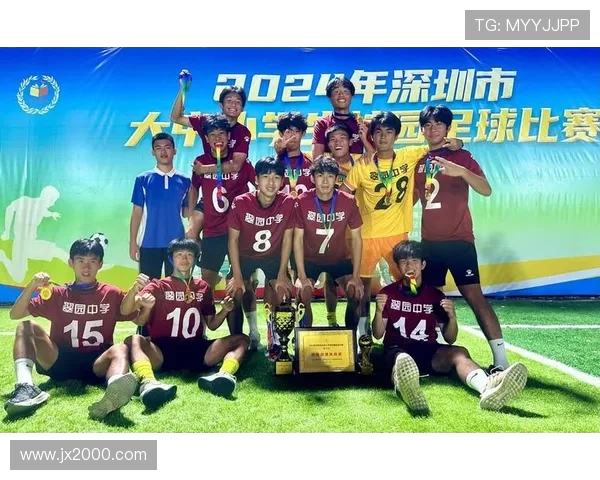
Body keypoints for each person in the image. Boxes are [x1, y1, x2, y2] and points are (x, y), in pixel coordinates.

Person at [341, 111, 463, 344]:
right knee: (359, 292)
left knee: (412, 285)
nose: (383, 137)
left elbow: (437, 145)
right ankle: (358, 340)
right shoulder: (362, 165)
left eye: (389, 132)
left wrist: (459, 142)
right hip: (366, 236)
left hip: (397, 236)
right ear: (372, 137)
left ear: (396, 136)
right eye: (378, 132)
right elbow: (343, 196)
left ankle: (418, 334)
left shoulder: (410, 155)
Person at [372, 240, 528, 414]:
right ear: (398, 266)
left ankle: (487, 388)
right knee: (402, 359)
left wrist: (452, 317)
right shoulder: (388, 293)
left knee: (459, 352)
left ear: (423, 265)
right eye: (404, 261)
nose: (409, 266)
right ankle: (409, 391)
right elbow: (377, 334)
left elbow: (450, 338)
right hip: (398, 349)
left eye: (414, 260)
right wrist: (379, 311)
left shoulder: (435, 295)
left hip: (428, 352)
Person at [4, 238, 143, 420]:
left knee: (121, 348)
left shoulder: (111, 293)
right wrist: (31, 286)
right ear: (71, 263)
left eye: (92, 261)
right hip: (59, 360)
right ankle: (25, 386)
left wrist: (141, 300)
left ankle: (115, 388)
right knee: (26, 327)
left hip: (97, 364)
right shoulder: (58, 293)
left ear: (100, 264)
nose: (86, 267)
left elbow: (137, 318)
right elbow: (15, 314)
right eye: (80, 260)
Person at [414, 104, 509, 371]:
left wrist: (462, 172)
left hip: (459, 242)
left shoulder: (462, 156)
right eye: (427, 125)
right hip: (429, 244)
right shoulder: (419, 161)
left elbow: (486, 190)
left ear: (447, 128)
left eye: (438, 124)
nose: (433, 129)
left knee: (475, 298)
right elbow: (410, 199)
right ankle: (429, 355)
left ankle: (501, 361)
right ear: (422, 130)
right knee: (429, 300)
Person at [121, 238, 249, 402]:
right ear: (171, 259)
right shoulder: (158, 286)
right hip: (161, 350)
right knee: (133, 340)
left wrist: (225, 310)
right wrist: (134, 290)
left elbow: (212, 325)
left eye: (189, 255)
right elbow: (125, 311)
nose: (184, 259)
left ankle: (224, 375)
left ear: (195, 259)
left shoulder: (203, 287)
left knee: (241, 339)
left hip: (197, 349)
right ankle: (148, 382)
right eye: (179, 254)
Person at [189, 114, 256, 334]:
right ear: (206, 139)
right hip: (212, 233)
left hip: (239, 233)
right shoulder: (200, 161)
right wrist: (191, 212)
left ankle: (245, 334)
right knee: (205, 284)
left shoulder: (243, 164)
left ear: (229, 136)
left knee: (240, 285)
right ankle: (199, 332)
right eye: (212, 134)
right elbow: (194, 187)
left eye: (221, 134)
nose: (217, 138)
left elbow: (260, 185)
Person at [227, 157, 296, 350]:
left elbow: (287, 239)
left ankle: (276, 338)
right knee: (234, 292)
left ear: (282, 182)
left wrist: (282, 273)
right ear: (256, 180)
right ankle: (239, 340)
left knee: (283, 292)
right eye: (265, 177)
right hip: (245, 255)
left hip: (273, 256)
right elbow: (232, 240)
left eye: (276, 177)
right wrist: (237, 276)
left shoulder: (288, 202)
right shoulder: (241, 202)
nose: (271, 182)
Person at [293, 156, 364, 328]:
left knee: (355, 292)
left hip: (339, 258)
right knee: (302, 293)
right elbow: (298, 239)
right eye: (320, 175)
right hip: (310, 260)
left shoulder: (348, 201)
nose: (325, 181)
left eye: (330, 176)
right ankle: (304, 338)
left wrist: (356, 276)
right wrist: (301, 276)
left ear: (337, 178)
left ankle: (350, 337)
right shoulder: (302, 201)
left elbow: (357, 238)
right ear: (312, 178)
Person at [129, 132, 191, 281]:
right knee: (148, 288)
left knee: (177, 288)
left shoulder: (185, 181)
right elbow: (137, 212)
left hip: (177, 245)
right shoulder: (143, 179)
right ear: (153, 152)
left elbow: (186, 213)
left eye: (167, 147)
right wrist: (133, 242)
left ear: (174, 151)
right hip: (149, 242)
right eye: (158, 148)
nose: (163, 152)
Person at [0, 185, 69, 284]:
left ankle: (77, 267)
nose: (53, 203)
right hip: (20, 244)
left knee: (57, 252)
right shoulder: (25, 201)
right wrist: (6, 231)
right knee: (18, 278)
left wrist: (51, 214)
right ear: (47, 198)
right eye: (53, 200)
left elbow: (44, 212)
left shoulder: (41, 208)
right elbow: (10, 208)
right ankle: (3, 258)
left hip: (31, 244)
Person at [311, 75, 373, 158]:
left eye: (345, 91)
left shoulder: (363, 125)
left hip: (357, 166)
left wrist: (364, 140)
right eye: (336, 91)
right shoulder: (322, 124)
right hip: (330, 167)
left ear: (352, 96)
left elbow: (376, 158)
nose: (341, 95)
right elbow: (317, 159)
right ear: (329, 97)